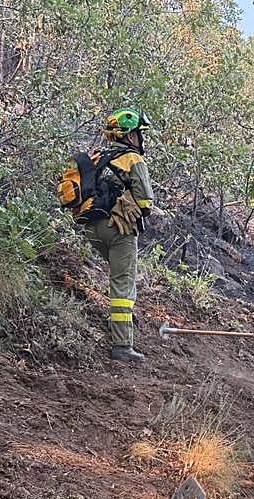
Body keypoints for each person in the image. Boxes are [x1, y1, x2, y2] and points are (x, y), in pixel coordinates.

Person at [84, 108, 155, 363]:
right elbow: (146, 200)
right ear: (130, 136)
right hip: (119, 228)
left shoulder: (98, 157)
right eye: (139, 134)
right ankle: (122, 345)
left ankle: (120, 324)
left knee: (118, 280)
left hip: (91, 227)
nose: (141, 139)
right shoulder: (133, 159)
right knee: (122, 286)